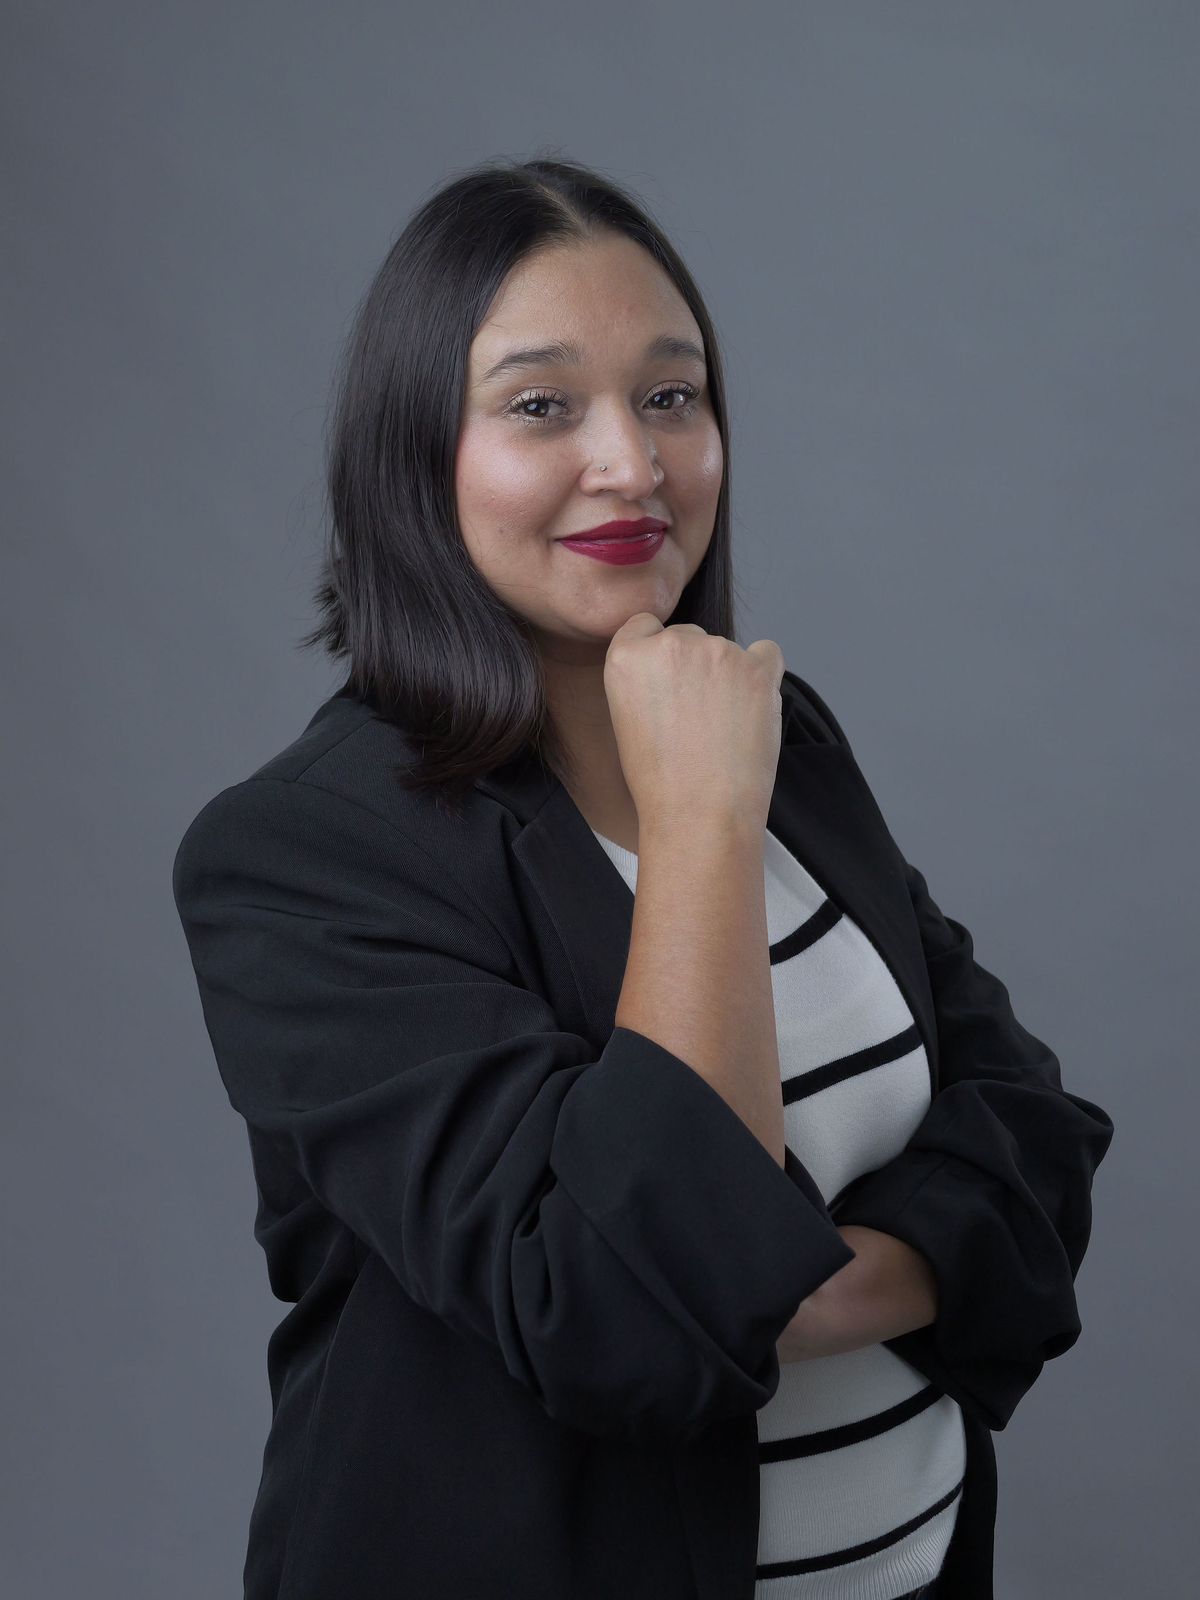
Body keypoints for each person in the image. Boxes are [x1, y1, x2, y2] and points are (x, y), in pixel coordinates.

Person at [171, 154, 1114, 1600]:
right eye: (541, 405)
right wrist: (697, 826)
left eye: (672, 395)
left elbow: (1034, 1134)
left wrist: (799, 1289)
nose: (633, 462)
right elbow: (627, 1312)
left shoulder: (776, 732)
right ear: (418, 452)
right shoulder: (304, 856)